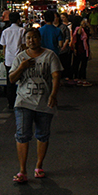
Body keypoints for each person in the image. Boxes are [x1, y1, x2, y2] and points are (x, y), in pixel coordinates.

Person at [8, 28, 62, 183]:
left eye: (34, 37)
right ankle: (22, 170)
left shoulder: (50, 56)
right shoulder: (20, 58)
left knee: (43, 135)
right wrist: (22, 67)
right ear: (25, 41)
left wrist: (53, 94)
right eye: (28, 38)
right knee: (22, 135)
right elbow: (11, 79)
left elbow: (56, 75)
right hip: (23, 101)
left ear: (40, 39)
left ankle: (39, 166)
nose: (31, 40)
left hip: (44, 102)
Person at [0, 11, 25, 109]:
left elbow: (4, 46)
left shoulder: (5, 31)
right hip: (19, 59)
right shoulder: (22, 30)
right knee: (21, 80)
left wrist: (4, 57)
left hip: (9, 60)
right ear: (18, 20)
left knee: (10, 81)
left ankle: (11, 103)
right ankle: (20, 100)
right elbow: (23, 45)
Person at [71, 19, 93, 85]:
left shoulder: (86, 29)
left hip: (85, 48)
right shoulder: (78, 29)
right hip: (79, 49)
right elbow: (78, 33)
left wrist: (89, 25)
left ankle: (82, 78)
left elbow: (91, 33)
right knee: (77, 63)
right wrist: (81, 26)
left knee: (84, 64)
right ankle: (79, 78)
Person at [56, 12, 73, 83]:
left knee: (64, 63)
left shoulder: (64, 27)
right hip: (56, 49)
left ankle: (65, 77)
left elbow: (67, 37)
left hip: (63, 49)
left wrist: (64, 46)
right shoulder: (53, 28)